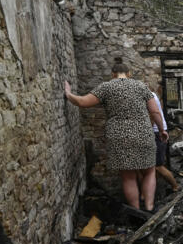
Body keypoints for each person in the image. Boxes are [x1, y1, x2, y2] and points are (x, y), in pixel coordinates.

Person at [64, 57, 168, 212]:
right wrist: (162, 130)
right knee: (149, 171)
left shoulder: (106, 87)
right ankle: (149, 207)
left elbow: (82, 102)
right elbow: (154, 112)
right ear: (129, 73)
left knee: (128, 176)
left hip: (118, 136)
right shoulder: (141, 86)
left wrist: (68, 93)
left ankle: (136, 211)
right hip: (143, 133)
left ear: (113, 74)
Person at [149, 91, 179, 192]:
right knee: (152, 166)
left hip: (157, 132)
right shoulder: (152, 94)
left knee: (158, 166)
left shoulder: (149, 95)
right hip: (157, 131)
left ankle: (175, 187)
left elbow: (153, 114)